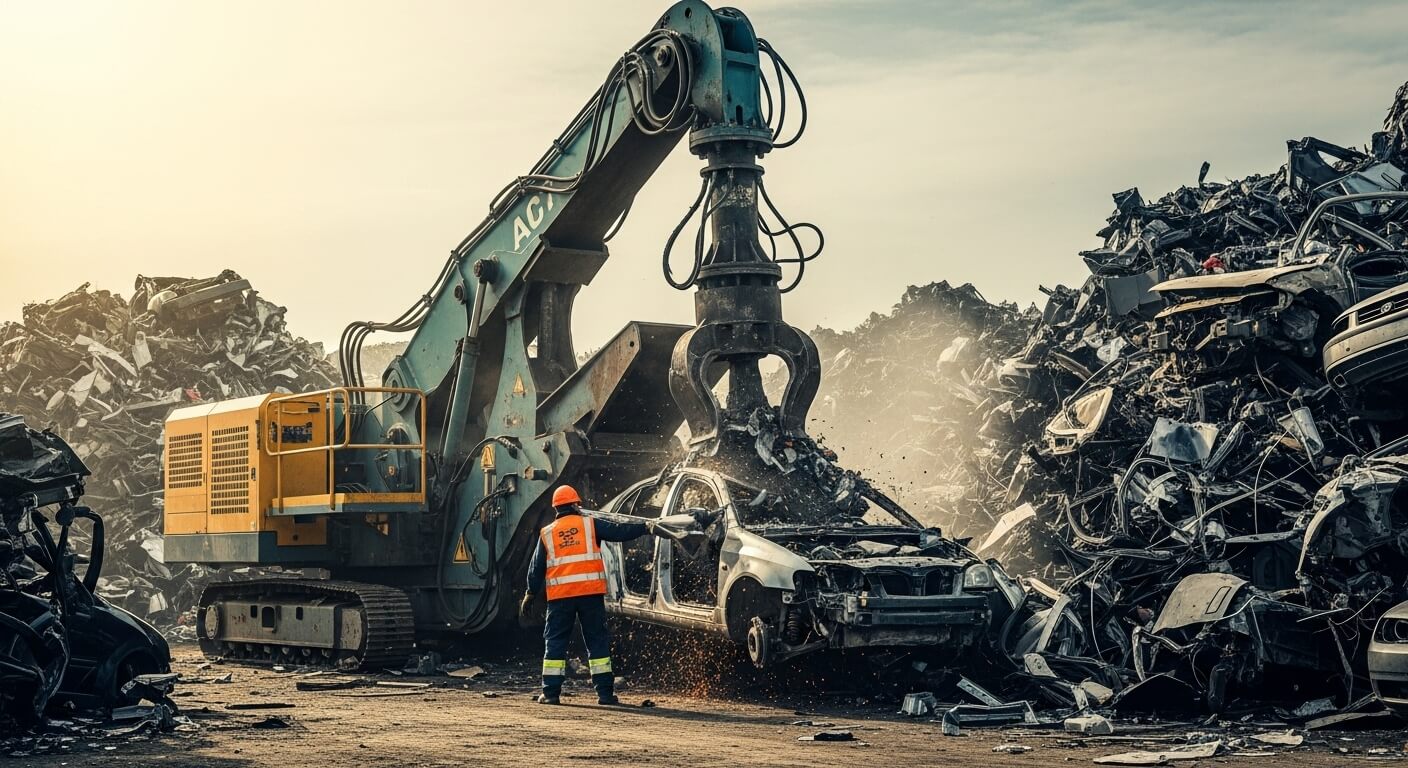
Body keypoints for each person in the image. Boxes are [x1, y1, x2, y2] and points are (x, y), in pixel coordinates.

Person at [522, 484, 662, 705]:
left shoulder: (547, 533)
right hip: (590, 595)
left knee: (555, 641)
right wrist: (645, 527)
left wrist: (530, 593)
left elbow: (536, 566)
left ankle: (550, 694)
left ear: (556, 508)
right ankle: (605, 695)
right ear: (576, 505)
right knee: (597, 642)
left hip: (560, 597)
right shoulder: (590, 525)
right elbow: (619, 532)